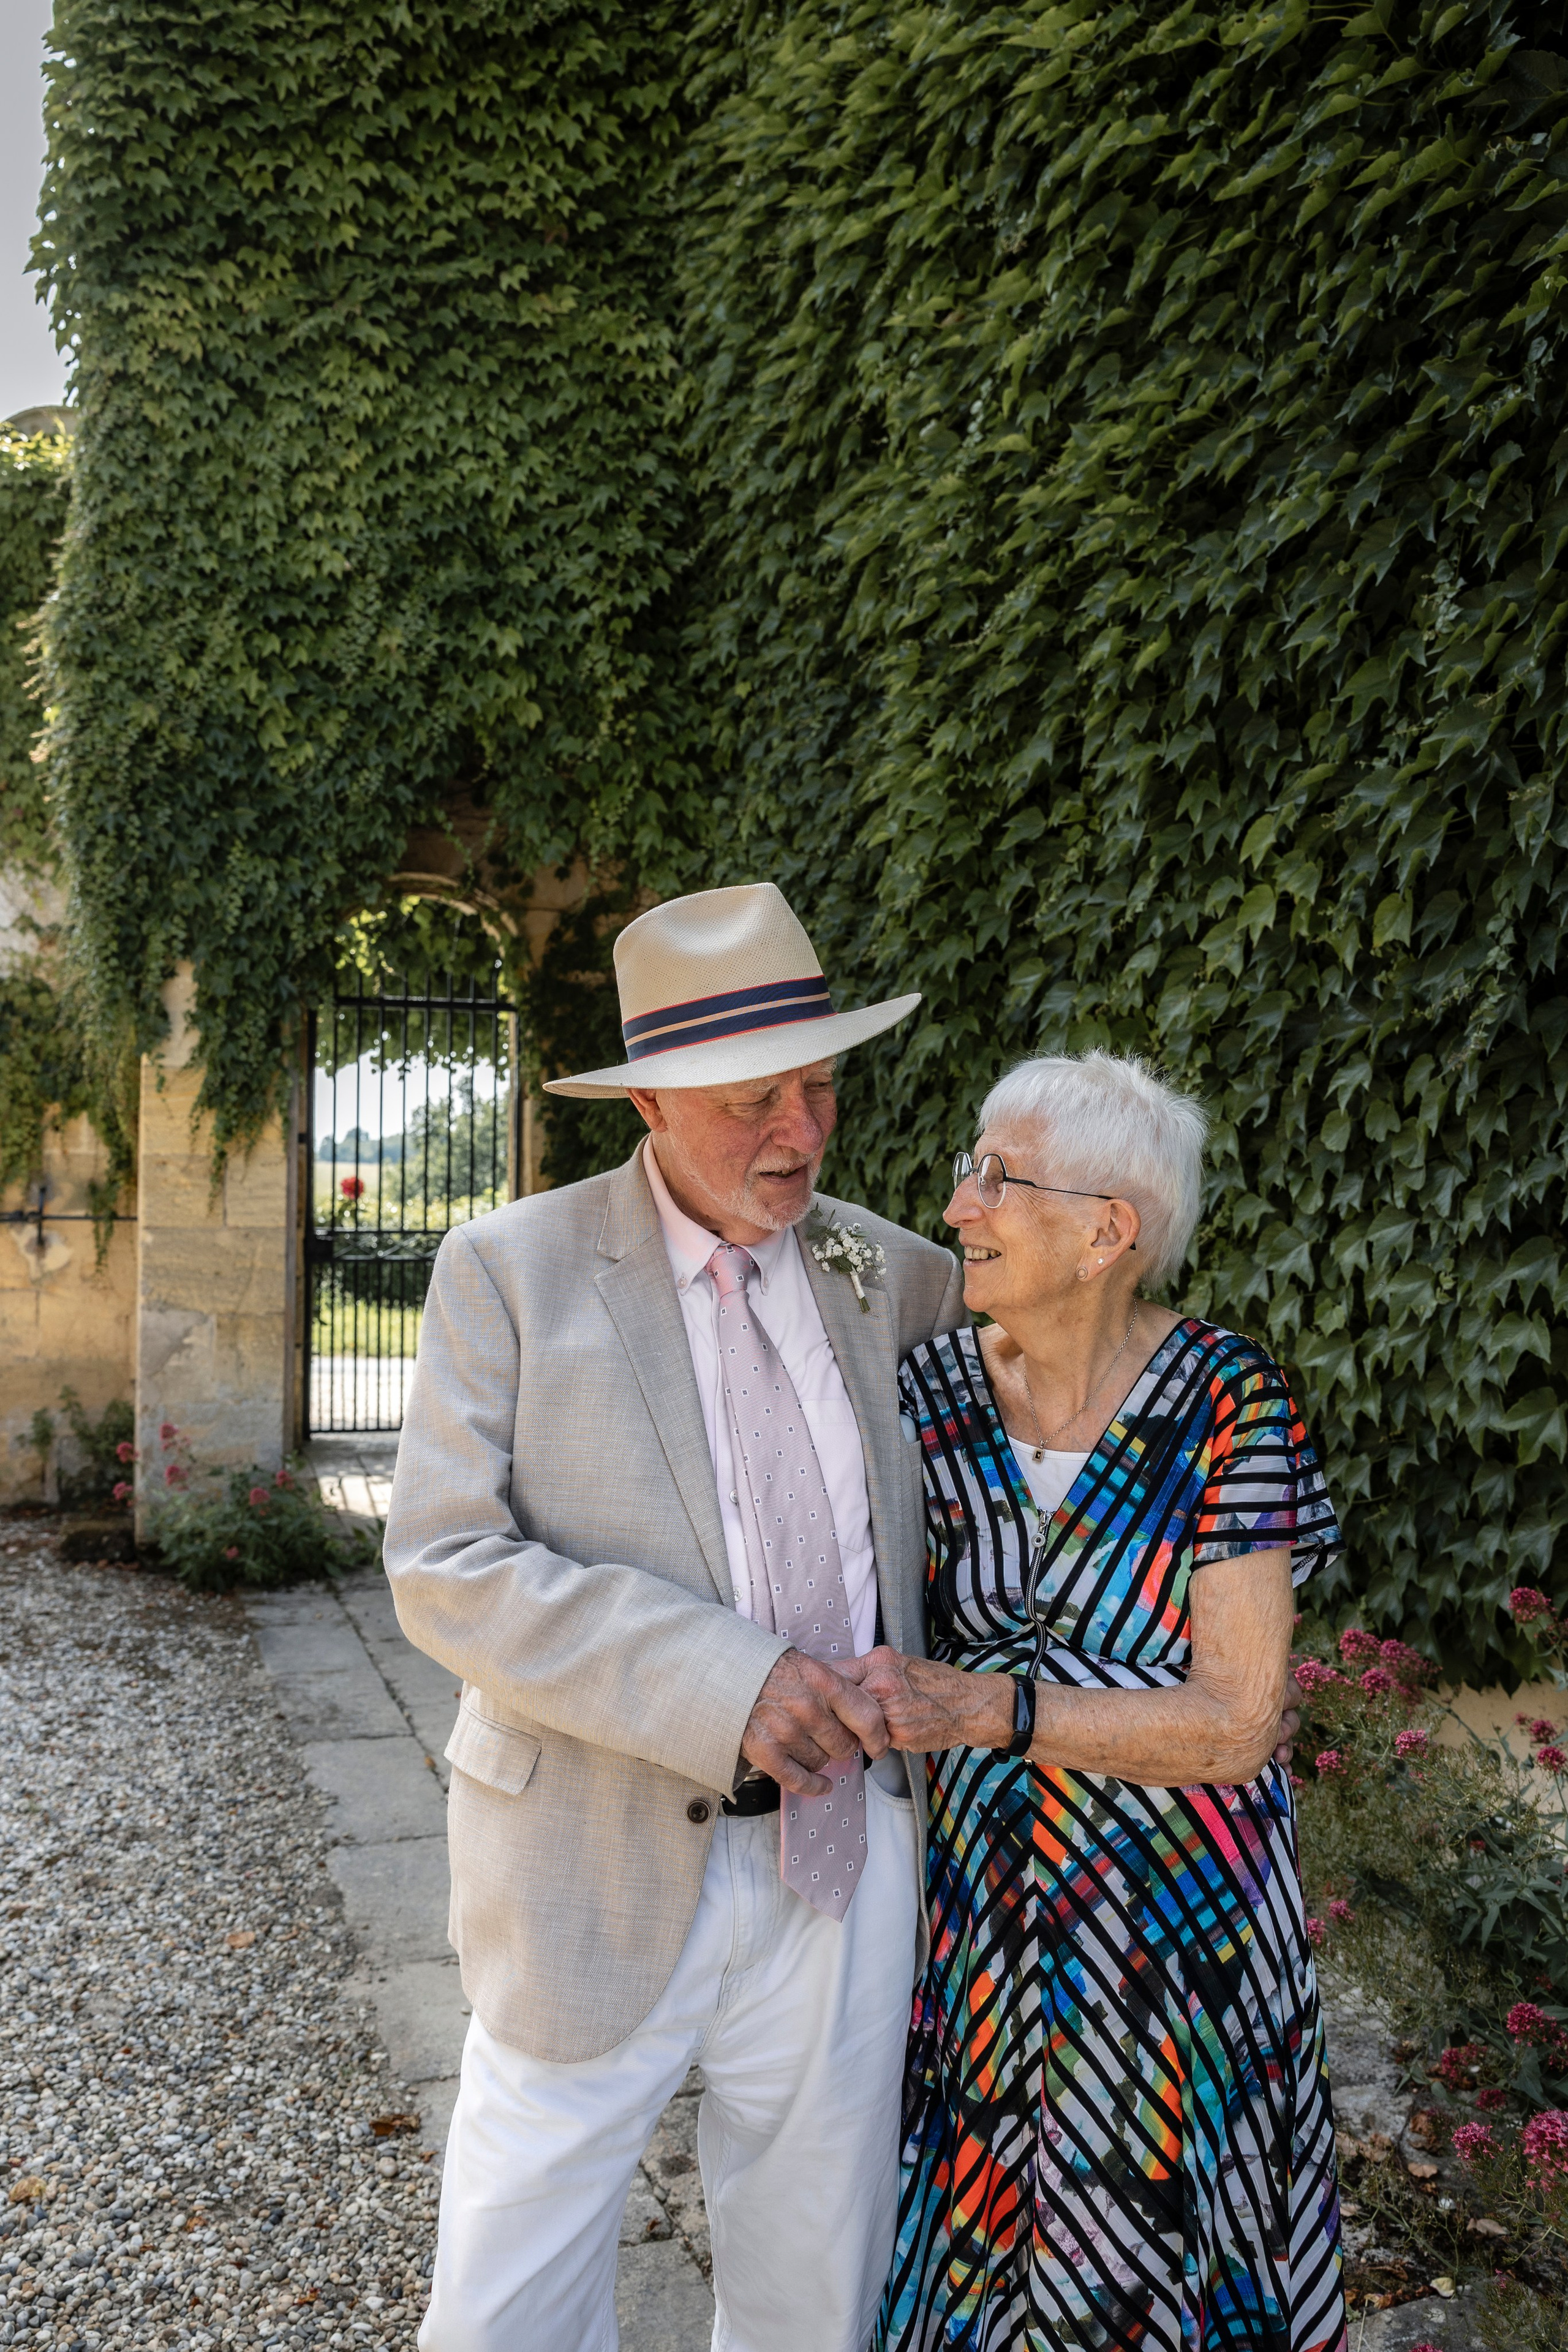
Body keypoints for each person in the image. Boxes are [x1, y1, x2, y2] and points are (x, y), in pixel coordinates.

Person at [381, 881, 967, 2352]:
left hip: (848, 1856)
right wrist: (725, 1679)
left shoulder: (896, 1273)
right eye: (752, 1098)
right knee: (507, 2301)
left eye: (821, 1084)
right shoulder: (505, 1271)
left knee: (812, 2281)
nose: (802, 1131)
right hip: (589, 1849)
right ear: (648, 1103)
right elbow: (446, 1562)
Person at [856, 1051, 1347, 2352]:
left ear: (1105, 1232)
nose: (958, 1205)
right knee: (977, 2259)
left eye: (997, 1179)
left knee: (1157, 2269)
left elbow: (1238, 1720)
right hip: (977, 1944)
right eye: (970, 1171)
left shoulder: (1225, 1403)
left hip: (1174, 1952)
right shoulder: (926, 1397)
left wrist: (994, 1712)